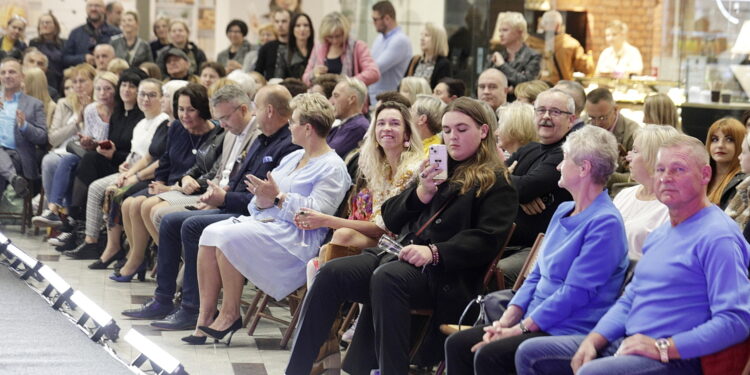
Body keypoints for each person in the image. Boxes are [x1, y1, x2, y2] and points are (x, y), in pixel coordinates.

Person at [287, 97, 518, 375]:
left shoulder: (497, 180)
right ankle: (297, 369)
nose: (452, 137)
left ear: (483, 132)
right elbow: (391, 217)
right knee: (331, 272)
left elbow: (486, 239)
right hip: (397, 256)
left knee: (389, 278)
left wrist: (434, 252)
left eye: (461, 129)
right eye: (446, 130)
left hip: (445, 274)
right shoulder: (436, 168)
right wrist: (421, 192)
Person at [515, 134, 750, 375]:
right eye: (660, 169)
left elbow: (736, 320)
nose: (666, 178)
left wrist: (664, 347)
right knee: (531, 353)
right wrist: (593, 340)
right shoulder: (662, 233)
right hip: (630, 342)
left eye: (678, 169)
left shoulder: (719, 237)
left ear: (705, 175)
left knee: (592, 372)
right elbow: (630, 299)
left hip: (678, 358)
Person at [445, 125, 628, 375]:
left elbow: (575, 293)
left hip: (567, 327)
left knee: (490, 354)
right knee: (458, 344)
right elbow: (535, 275)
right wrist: (507, 320)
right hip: (535, 320)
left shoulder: (605, 222)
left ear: (584, 168)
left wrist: (520, 329)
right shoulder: (564, 210)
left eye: (564, 160)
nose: (558, 166)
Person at [120, 84, 299, 333]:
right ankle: (163, 299)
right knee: (171, 221)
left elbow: (262, 195)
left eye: (256, 108)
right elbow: (234, 179)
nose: (254, 116)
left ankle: (192, 307)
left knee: (190, 225)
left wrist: (223, 199)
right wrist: (217, 195)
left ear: (267, 110)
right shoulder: (262, 139)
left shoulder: (286, 145)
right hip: (234, 202)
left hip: (256, 214)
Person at [193, 93, 350, 344]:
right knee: (209, 233)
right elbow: (262, 198)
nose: (289, 126)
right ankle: (205, 315)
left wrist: (277, 198)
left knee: (226, 236)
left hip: (298, 240)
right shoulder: (292, 157)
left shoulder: (332, 166)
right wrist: (263, 200)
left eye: (293, 122)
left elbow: (318, 213)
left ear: (307, 128)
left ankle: (230, 313)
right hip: (270, 225)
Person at [113, 83, 222, 281]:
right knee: (129, 203)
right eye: (180, 109)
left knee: (146, 206)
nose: (184, 115)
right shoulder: (177, 127)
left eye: (191, 110)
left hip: (190, 189)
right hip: (170, 184)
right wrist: (160, 181)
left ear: (202, 109)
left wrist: (168, 187)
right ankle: (141, 258)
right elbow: (165, 161)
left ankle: (169, 261)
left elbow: (204, 175)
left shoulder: (216, 134)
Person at [84, 78, 169, 268]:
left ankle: (124, 249)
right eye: (142, 94)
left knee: (112, 191)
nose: (145, 99)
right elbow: (136, 153)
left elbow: (155, 159)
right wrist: (126, 168)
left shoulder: (162, 122)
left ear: (161, 98)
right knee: (105, 188)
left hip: (151, 175)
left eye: (151, 95)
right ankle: (114, 246)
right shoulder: (141, 123)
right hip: (134, 169)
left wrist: (133, 175)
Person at [497, 89, 575, 287]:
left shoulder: (566, 154)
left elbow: (523, 187)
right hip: (504, 241)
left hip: (537, 247)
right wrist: (519, 194)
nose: (546, 116)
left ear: (571, 120)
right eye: (541, 110)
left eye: (555, 112)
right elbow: (491, 184)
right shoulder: (529, 148)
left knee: (498, 272)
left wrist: (513, 185)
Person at [35, 72, 119, 233]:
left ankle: (68, 218)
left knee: (71, 162)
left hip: (106, 158)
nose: (102, 93)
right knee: (65, 160)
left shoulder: (119, 112)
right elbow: (83, 135)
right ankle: (54, 210)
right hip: (89, 153)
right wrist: (86, 141)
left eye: (107, 89)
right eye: (99, 88)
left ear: (115, 90)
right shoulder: (90, 110)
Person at [33, 63, 95, 234]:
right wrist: (76, 122)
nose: (78, 86)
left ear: (93, 82)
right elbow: (52, 138)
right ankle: (58, 213)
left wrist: (86, 115)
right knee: (49, 160)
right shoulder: (64, 103)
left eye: (82, 81)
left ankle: (58, 212)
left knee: (62, 162)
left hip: (85, 152)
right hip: (63, 148)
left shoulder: (99, 103)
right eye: (74, 82)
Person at [614, 125, 678, 260]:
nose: (628, 157)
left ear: (655, 158)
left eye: (636, 151)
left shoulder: (673, 209)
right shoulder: (624, 195)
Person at [0, 58, 46, 198]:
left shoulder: (34, 104)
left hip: (19, 155)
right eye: (3, 72)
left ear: (22, 77)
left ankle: (14, 178)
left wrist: (24, 125)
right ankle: (13, 178)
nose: (7, 75)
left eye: (12, 72)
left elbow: (43, 137)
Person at [302, 12, 380, 89]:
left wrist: (348, 82)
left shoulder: (358, 47)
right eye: (330, 37)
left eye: (338, 36)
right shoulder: (319, 47)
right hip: (323, 99)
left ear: (345, 32)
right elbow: (305, 78)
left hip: (350, 99)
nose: (334, 41)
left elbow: (373, 73)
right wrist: (314, 74)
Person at [585, 88, 639, 186]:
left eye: (602, 118)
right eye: (592, 118)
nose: (597, 123)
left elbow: (638, 177)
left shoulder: (633, 134)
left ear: (615, 110)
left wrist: (601, 175)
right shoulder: (585, 125)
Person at [368, 1, 412, 107]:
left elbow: (376, 68)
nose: (373, 22)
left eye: (375, 19)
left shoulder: (400, 40)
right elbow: (368, 63)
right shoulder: (379, 38)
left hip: (390, 102)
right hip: (375, 99)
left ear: (387, 18)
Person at [489, 12, 541, 95]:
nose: (500, 34)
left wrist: (502, 65)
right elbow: (480, 83)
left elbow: (528, 85)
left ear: (519, 32)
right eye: (500, 30)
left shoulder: (533, 56)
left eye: (505, 30)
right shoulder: (497, 56)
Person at [538, 10, 594, 84]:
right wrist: (590, 55)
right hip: (561, 88)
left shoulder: (531, 42)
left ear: (542, 25)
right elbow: (587, 68)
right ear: (558, 26)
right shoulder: (570, 43)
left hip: (538, 88)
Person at [62, 0, 121, 68]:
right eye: (90, 6)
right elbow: (65, 59)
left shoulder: (116, 33)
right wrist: (83, 58)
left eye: (97, 6)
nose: (93, 9)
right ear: (86, 9)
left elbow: (121, 58)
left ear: (104, 10)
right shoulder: (75, 33)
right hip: (82, 76)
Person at [705, 117, 745, 209]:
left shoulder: (743, 183)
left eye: (729, 139)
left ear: (741, 144)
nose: (720, 145)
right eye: (715, 139)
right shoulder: (700, 176)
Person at [326, 76, 370, 158]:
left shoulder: (358, 127)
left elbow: (325, 156)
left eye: (336, 96)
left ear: (351, 99)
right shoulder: (344, 125)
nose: (330, 101)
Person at [404, 23, 450, 89]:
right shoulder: (415, 60)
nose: (422, 38)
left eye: (426, 35)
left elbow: (442, 92)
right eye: (421, 35)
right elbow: (402, 85)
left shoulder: (444, 64)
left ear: (437, 39)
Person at [29, 12, 65, 93]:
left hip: (59, 82)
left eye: (48, 22)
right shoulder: (34, 42)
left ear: (55, 26)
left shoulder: (64, 43)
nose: (45, 25)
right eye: (42, 23)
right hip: (39, 81)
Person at [254, 8, 290, 80]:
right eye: (277, 21)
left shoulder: (297, 46)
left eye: (284, 21)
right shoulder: (266, 48)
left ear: (291, 22)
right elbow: (258, 73)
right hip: (270, 87)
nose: (280, 24)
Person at [277, 13, 314, 79]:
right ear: (292, 29)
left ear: (310, 29)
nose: (302, 29)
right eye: (298, 25)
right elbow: (278, 77)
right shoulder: (284, 52)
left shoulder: (317, 49)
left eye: (306, 25)